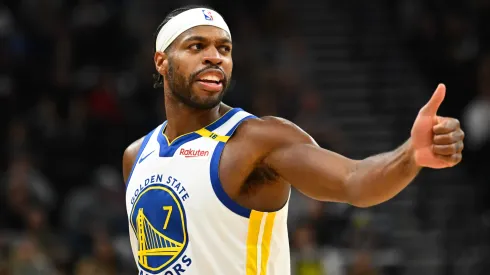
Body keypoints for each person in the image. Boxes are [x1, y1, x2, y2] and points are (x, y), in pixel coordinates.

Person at [122, 5, 465, 275]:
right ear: (162, 62)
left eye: (223, 48)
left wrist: (411, 155)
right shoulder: (136, 156)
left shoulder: (258, 140)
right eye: (197, 46)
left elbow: (354, 181)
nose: (215, 56)